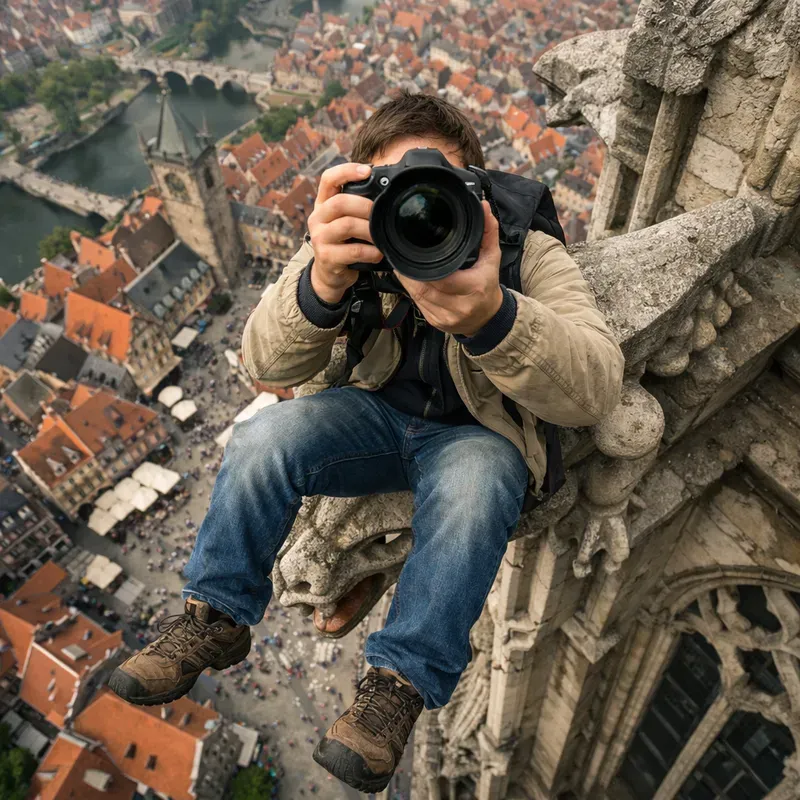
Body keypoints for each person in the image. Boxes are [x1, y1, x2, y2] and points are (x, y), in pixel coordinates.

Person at [108, 92, 624, 792]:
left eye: (437, 186)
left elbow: (596, 387)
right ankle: (214, 615)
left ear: (476, 189)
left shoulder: (523, 249)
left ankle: (397, 689)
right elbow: (261, 361)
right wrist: (322, 280)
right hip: (370, 421)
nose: (417, 209)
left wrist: (495, 316)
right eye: (392, 188)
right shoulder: (352, 242)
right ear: (361, 192)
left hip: (475, 435)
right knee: (265, 438)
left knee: (478, 481)